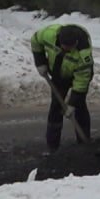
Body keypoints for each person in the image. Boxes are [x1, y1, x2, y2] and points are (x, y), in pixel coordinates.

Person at [30, 22, 94, 151]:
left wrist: (73, 104)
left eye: (72, 46)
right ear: (59, 40)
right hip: (58, 75)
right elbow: (35, 40)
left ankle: (84, 144)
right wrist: (40, 62)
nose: (69, 49)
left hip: (78, 74)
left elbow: (81, 83)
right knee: (56, 107)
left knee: (79, 108)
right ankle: (53, 146)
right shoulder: (48, 34)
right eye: (66, 46)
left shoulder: (83, 54)